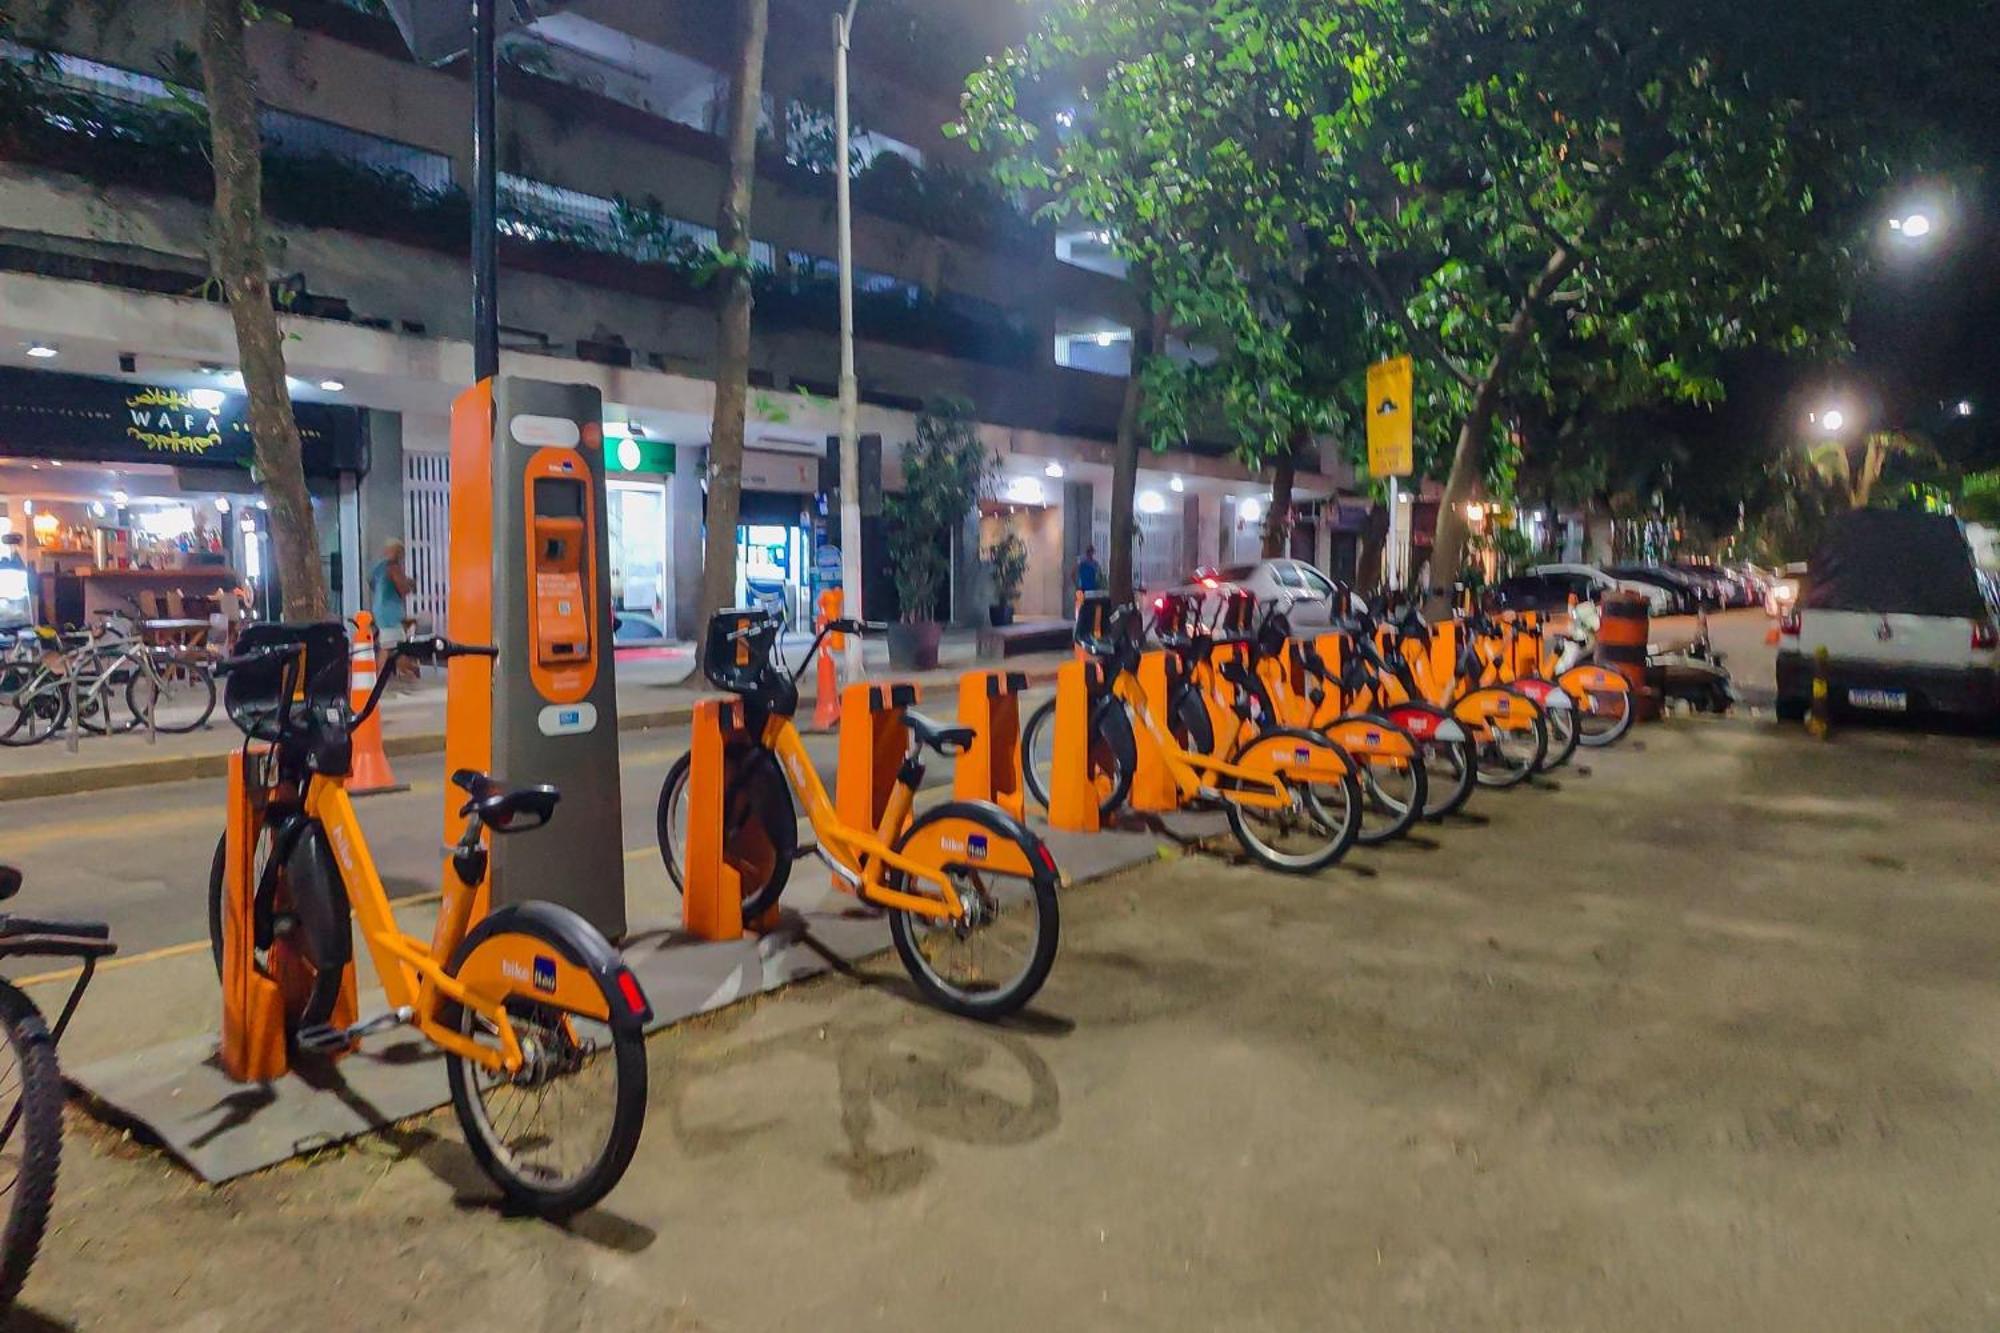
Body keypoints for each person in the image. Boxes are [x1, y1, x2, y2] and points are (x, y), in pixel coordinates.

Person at [369, 539, 417, 687]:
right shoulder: (393, 567)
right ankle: (378, 680)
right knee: (391, 646)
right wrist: (410, 584)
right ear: (397, 552)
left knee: (392, 646)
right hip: (391, 612)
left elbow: (371, 583)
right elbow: (403, 588)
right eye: (401, 552)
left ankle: (409, 672)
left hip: (380, 609)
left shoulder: (379, 567)